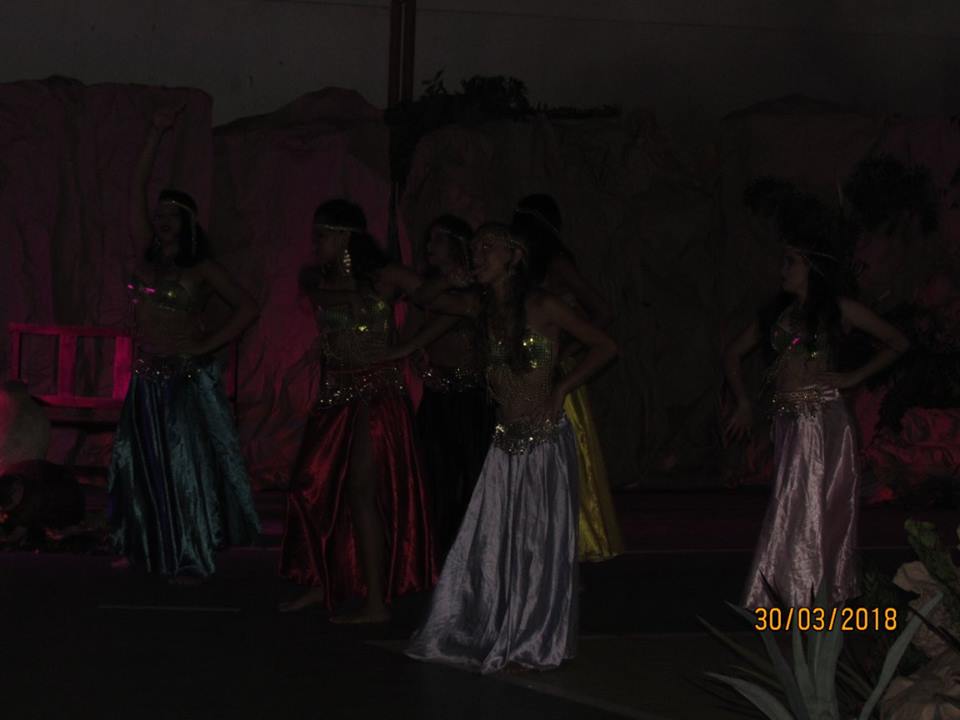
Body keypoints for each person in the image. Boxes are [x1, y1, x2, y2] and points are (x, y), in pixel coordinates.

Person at [406, 223, 618, 673]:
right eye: (475, 248)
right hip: (504, 442)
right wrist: (450, 277)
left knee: (534, 544)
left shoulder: (542, 304)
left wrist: (561, 388)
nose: (478, 254)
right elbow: (425, 298)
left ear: (514, 255)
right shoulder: (480, 308)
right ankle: (496, 628)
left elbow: (605, 346)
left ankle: (530, 640)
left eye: (488, 247)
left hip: (544, 441)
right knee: (495, 540)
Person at [724, 188, 910, 608]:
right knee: (793, 506)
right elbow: (732, 354)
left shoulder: (838, 309)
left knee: (809, 508)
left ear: (810, 266)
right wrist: (743, 401)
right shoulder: (776, 313)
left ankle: (806, 599)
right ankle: (794, 595)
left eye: (790, 261)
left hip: (822, 420)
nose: (783, 269)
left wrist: (854, 376)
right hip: (789, 421)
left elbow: (898, 342)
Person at [109, 107, 261, 582]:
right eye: (159, 215)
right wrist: (154, 133)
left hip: (181, 378)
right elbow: (134, 189)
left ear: (188, 222)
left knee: (182, 470)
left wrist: (206, 345)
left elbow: (247, 307)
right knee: (140, 465)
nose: (162, 221)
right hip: (145, 378)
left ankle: (190, 551)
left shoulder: (202, 269)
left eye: (172, 216)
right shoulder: (147, 256)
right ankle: (142, 544)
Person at [278, 199, 434, 623]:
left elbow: (440, 300)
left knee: (362, 493)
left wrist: (411, 344)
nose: (314, 243)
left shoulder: (385, 276)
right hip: (335, 398)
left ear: (345, 236)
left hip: (375, 398)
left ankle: (376, 604)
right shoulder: (318, 279)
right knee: (316, 490)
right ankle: (326, 580)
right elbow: (331, 314)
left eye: (322, 235)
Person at [511, 194, 623, 562]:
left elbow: (602, 310)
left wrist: (568, 350)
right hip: (526, 380)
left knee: (564, 461)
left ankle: (573, 540)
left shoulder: (556, 264)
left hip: (555, 377)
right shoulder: (517, 277)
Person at [405, 215, 495, 558]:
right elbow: (419, 309)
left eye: (437, 240)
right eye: (428, 240)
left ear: (457, 245)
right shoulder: (431, 288)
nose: (429, 247)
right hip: (438, 394)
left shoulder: (478, 288)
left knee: (472, 477)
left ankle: (474, 552)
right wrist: (422, 363)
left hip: (473, 397)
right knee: (435, 477)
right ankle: (439, 554)